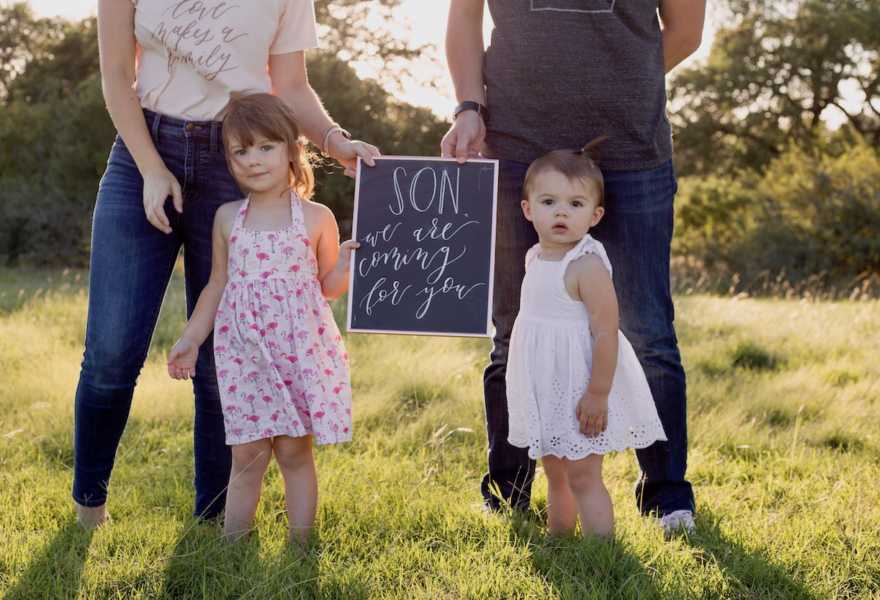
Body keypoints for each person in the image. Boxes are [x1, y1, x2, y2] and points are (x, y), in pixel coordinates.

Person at [74, 0, 378, 528]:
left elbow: (291, 86)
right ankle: (89, 507)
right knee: (111, 350)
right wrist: (151, 169)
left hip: (236, 152)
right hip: (143, 147)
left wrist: (334, 140)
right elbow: (118, 74)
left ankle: (215, 520)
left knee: (224, 363)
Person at [441, 0, 705, 533]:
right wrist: (468, 105)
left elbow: (686, 31)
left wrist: (619, 89)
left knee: (648, 332)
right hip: (517, 145)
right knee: (513, 330)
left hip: (632, 150)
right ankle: (508, 495)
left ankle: (667, 499)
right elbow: (465, 16)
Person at [167, 93, 356, 542]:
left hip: (298, 353)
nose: (253, 160)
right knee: (247, 455)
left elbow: (326, 288)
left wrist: (345, 268)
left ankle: (300, 545)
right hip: (246, 356)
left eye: (266, 147)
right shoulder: (228, 218)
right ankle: (233, 546)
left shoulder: (316, 218)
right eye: (241, 151)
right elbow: (217, 284)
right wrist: (192, 338)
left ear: (292, 150)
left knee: (294, 453)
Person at [505, 140, 667, 537]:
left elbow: (607, 333)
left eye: (575, 205)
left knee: (583, 475)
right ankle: (558, 540)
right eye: (548, 202)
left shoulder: (587, 265)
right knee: (555, 473)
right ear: (528, 209)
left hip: (581, 387)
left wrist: (597, 393)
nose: (561, 211)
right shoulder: (534, 258)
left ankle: (602, 553)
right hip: (546, 385)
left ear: (595, 216)